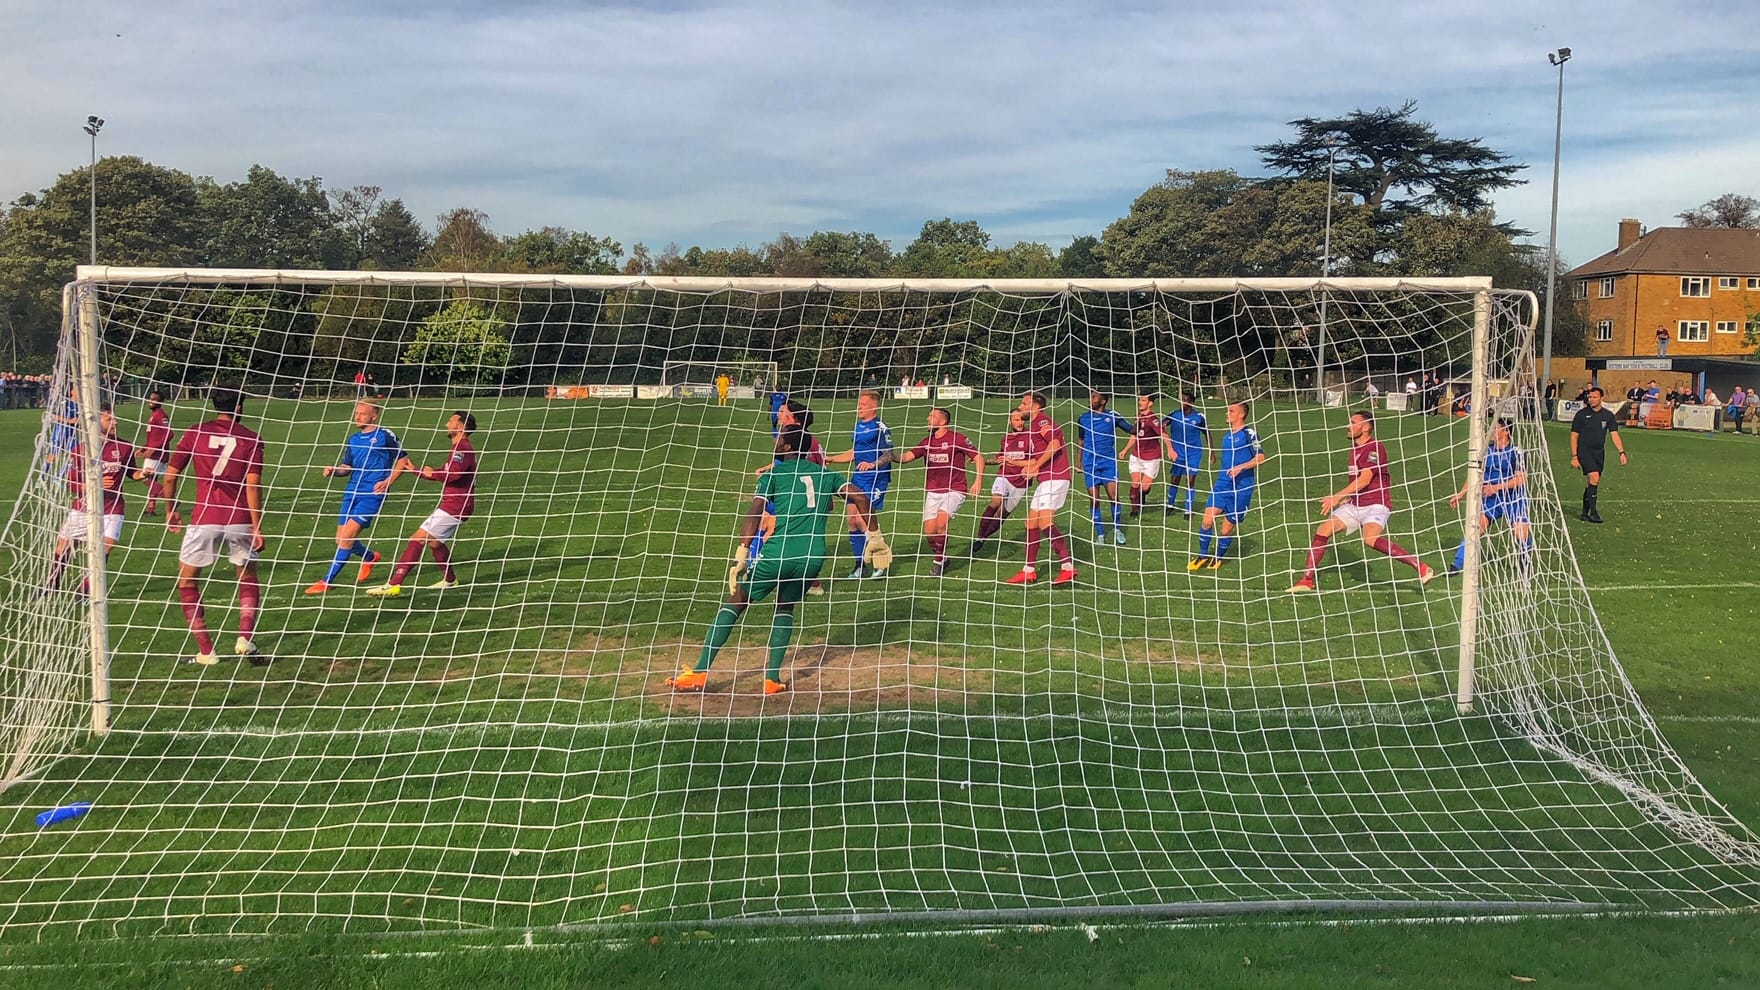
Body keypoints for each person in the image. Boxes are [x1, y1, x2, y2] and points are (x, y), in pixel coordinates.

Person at [666, 426, 877, 696]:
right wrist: (876, 536)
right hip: (812, 557)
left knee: (738, 600)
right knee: (785, 606)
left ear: (788, 447)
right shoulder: (826, 474)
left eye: (780, 439)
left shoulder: (773, 474)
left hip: (779, 552)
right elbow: (860, 497)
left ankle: (699, 672)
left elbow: (755, 510)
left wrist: (743, 551)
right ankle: (771, 679)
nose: (776, 441)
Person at [162, 388, 268, 666]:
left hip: (204, 518)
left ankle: (206, 651)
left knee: (187, 581)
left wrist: (170, 509)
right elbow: (252, 484)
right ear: (241, 407)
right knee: (246, 576)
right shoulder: (251, 438)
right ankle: (245, 637)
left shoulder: (196, 432)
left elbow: (171, 476)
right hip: (240, 519)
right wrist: (257, 526)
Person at [1289, 410, 1436, 592]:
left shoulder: (1374, 447)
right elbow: (1361, 482)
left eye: (1353, 422)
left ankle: (1420, 567)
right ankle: (1306, 581)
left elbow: (1366, 479)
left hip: (1376, 504)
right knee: (1323, 530)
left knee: (1370, 539)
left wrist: (1337, 496)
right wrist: (1349, 497)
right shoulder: (1355, 449)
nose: (1348, 426)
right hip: (1356, 504)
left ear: (1366, 427)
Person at [366, 412, 479, 597]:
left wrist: (431, 473)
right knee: (435, 543)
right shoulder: (460, 448)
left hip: (456, 505)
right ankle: (450, 580)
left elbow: (453, 475)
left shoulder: (462, 448)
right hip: (457, 504)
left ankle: (394, 584)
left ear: (460, 427)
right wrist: (417, 470)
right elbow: (447, 472)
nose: (446, 424)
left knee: (417, 539)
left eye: (450, 421)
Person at [307, 401, 411, 595]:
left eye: (362, 413)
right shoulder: (353, 439)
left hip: (372, 493)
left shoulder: (385, 435)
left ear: (374, 416)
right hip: (351, 491)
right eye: (356, 413)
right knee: (340, 539)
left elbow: (403, 460)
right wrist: (334, 470)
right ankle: (370, 557)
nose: (357, 416)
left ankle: (326, 581)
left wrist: (388, 481)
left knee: (346, 539)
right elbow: (347, 468)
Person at [44, 405, 135, 595]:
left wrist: (143, 473)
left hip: (113, 508)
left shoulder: (125, 447)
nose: (115, 422)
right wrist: (96, 486)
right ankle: (52, 585)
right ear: (95, 422)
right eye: (109, 419)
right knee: (65, 547)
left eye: (115, 418)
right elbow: (73, 484)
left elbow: (132, 473)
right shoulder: (80, 450)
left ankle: (85, 591)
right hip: (84, 508)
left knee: (105, 549)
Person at [894, 407, 984, 577]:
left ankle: (938, 561)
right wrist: (889, 454)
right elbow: (906, 458)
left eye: (932, 416)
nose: (927, 418)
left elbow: (978, 457)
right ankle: (943, 557)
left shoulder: (957, 439)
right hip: (933, 491)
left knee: (941, 523)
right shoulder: (926, 442)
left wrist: (978, 480)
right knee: (929, 532)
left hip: (955, 489)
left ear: (943, 421)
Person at [1005, 392, 1077, 585]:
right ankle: (1028, 570)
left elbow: (1054, 445)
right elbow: (1038, 458)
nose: (1020, 407)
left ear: (1036, 406)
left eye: (1024, 403)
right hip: (1047, 479)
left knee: (1045, 522)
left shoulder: (1043, 422)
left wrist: (1035, 466)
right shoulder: (1034, 427)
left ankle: (1067, 567)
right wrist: (1017, 462)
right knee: (1031, 524)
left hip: (1056, 477)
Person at [1188, 401, 1266, 571]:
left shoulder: (1249, 433)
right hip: (1223, 484)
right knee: (1207, 521)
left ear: (1241, 415)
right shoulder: (1226, 436)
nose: (1227, 413)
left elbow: (1260, 458)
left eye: (1231, 411)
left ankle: (1218, 557)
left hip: (1242, 488)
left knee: (1225, 530)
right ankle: (1202, 556)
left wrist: (1241, 467)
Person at [1449, 417, 1532, 576]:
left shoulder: (1517, 452)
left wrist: (1497, 487)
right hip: (1491, 499)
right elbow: (1475, 476)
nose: (1491, 431)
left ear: (1506, 431)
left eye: (1496, 428)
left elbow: (1521, 479)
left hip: (1514, 499)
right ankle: (1456, 566)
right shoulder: (1486, 451)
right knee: (1475, 529)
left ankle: (1525, 559)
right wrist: (1461, 493)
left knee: (1520, 534)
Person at [825, 390, 893, 579]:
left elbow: (889, 454)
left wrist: (873, 464)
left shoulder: (881, 427)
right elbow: (855, 453)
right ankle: (860, 565)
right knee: (852, 520)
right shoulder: (857, 426)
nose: (859, 407)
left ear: (874, 406)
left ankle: (880, 563)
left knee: (866, 521)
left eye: (863, 404)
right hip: (858, 478)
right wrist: (832, 458)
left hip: (876, 479)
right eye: (859, 403)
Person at [971, 409, 1033, 554]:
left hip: (1021, 480)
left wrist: (1023, 465)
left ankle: (984, 537)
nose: (1020, 423)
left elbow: (1036, 460)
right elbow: (1000, 458)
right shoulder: (1005, 439)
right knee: (995, 502)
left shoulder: (1031, 437)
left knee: (1002, 515)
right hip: (1004, 475)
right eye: (1016, 420)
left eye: (1022, 419)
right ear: (1009, 421)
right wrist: (983, 461)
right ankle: (979, 538)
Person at [1073, 392, 1132, 543]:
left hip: (1108, 463)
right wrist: (1078, 463)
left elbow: (1132, 430)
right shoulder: (1083, 418)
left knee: (1114, 497)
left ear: (1103, 401)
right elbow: (1081, 441)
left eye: (1094, 397)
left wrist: (1143, 418)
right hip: (1090, 463)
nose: (1090, 399)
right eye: (1090, 396)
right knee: (1094, 499)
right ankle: (1100, 534)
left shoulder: (1113, 416)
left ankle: (1117, 529)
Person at [1569, 387, 1627, 524]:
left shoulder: (1608, 416)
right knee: (1594, 478)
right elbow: (1574, 436)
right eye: (1590, 397)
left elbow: (1614, 435)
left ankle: (1584, 512)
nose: (1591, 399)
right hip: (1584, 450)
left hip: (1599, 452)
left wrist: (1622, 452)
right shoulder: (1581, 415)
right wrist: (1574, 456)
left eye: (1594, 397)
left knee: (1591, 482)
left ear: (1601, 398)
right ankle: (1594, 513)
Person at [1126, 393, 1175, 519]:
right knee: (1135, 483)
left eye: (1143, 400)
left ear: (1150, 403)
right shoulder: (1138, 416)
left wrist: (1170, 449)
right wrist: (1125, 450)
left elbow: (1163, 434)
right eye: (1139, 400)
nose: (1140, 402)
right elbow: (1134, 435)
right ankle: (1135, 509)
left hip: (1151, 457)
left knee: (1145, 487)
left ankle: (1142, 495)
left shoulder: (1153, 419)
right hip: (1136, 455)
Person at [1163, 391, 1209, 518]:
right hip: (1178, 453)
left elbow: (1207, 433)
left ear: (1191, 403)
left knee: (1190, 480)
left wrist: (1212, 452)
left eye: (1185, 400)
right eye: (1181, 399)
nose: (1182, 402)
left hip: (1194, 453)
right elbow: (1161, 425)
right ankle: (1170, 505)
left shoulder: (1199, 417)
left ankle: (1188, 511)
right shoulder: (1174, 414)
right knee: (1175, 479)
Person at [132, 390, 173, 516]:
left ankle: (170, 500)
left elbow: (169, 434)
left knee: (145, 478)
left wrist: (154, 448)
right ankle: (151, 510)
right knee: (152, 479)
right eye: (150, 398)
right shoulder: (154, 415)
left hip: (157, 454)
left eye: (155, 399)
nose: (151, 401)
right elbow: (152, 438)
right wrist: (143, 448)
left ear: (160, 401)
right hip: (155, 453)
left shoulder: (161, 415)